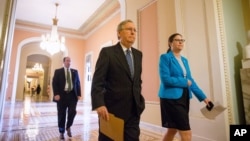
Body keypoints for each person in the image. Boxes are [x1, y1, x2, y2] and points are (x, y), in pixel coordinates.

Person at [91, 19, 145, 141]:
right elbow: (97, 81)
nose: (133, 32)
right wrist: (99, 103)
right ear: (119, 33)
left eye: (134, 30)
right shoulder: (108, 52)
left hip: (133, 111)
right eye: (129, 29)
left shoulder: (138, 54)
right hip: (111, 111)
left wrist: (140, 102)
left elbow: (137, 81)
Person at [158, 33, 213, 141]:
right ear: (170, 43)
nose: (180, 42)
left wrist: (204, 98)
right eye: (177, 40)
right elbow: (166, 79)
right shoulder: (165, 58)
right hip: (170, 99)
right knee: (186, 132)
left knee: (172, 130)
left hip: (184, 97)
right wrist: (184, 82)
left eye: (182, 40)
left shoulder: (184, 60)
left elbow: (190, 81)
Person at [52, 56, 81, 139]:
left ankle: (68, 126)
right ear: (64, 62)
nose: (69, 62)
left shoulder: (75, 71)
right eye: (67, 61)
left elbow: (78, 83)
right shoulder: (58, 71)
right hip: (61, 96)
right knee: (61, 114)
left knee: (73, 112)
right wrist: (56, 94)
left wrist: (79, 94)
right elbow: (55, 83)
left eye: (70, 61)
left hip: (72, 95)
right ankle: (61, 132)